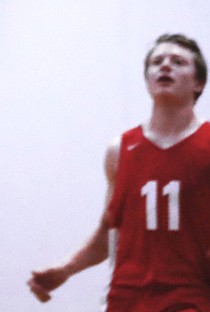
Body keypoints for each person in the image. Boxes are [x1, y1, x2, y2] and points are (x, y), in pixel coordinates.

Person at [28, 33, 210, 312]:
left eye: (178, 62)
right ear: (147, 79)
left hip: (189, 297)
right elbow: (109, 232)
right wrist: (65, 270)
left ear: (198, 82)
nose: (165, 66)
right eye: (157, 61)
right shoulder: (121, 150)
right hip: (128, 298)